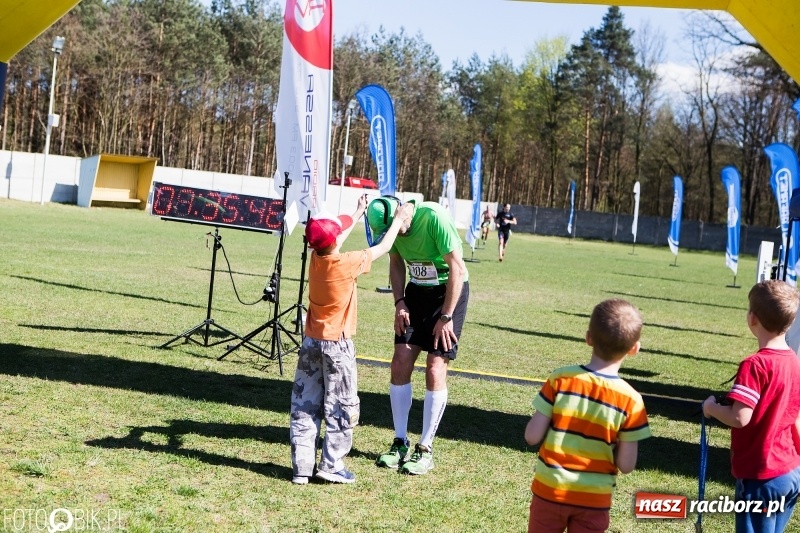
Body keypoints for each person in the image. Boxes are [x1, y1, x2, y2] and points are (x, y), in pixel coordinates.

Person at [289, 195, 414, 485]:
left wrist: (357, 212)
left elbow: (334, 238)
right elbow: (383, 247)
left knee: (305, 404)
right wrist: (398, 220)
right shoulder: (347, 263)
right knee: (341, 405)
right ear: (333, 241)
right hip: (338, 346)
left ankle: (302, 468)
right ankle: (332, 466)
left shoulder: (316, 259)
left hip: (311, 343)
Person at [525, 298, 651, 533]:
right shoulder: (632, 400)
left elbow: (532, 436)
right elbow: (626, 464)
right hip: (595, 499)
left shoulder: (560, 379)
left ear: (588, 337)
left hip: (550, 488)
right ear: (634, 348)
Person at [365, 196, 469, 475]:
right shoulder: (392, 226)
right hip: (416, 293)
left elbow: (457, 269)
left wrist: (446, 317)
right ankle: (399, 442)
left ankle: (425, 449)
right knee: (399, 362)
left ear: (402, 213)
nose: (395, 234)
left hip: (449, 292)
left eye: (397, 228)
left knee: (435, 368)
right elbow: (397, 262)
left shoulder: (433, 217)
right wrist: (399, 302)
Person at [703, 280, 800, 533]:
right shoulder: (794, 362)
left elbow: (740, 417)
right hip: (790, 471)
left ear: (752, 319)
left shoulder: (755, 365)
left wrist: (711, 408)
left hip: (761, 477)